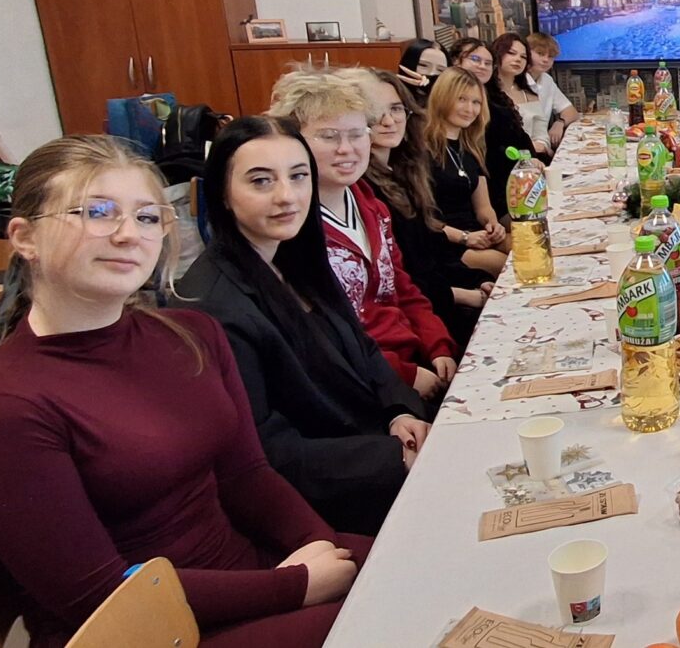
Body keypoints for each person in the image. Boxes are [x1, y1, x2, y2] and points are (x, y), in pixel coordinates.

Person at [0, 135, 370, 647]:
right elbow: (99, 598)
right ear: (25, 237)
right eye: (97, 212)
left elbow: (246, 475)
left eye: (147, 217)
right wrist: (296, 586)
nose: (129, 235)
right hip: (147, 630)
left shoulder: (192, 334)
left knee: (432, 567)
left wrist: (319, 546)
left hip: (247, 579)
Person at [178, 117, 430, 536]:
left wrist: (398, 411)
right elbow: (266, 451)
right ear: (222, 193)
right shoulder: (214, 307)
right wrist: (391, 457)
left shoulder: (294, 257)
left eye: (298, 176)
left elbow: (363, 348)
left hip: (374, 452)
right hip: (328, 499)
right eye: (261, 181)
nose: (286, 196)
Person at [268, 70, 459, 395]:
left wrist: (437, 345)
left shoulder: (371, 204)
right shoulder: (290, 227)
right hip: (363, 383)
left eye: (356, 134)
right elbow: (321, 340)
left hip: (412, 356)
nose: (347, 149)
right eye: (329, 136)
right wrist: (405, 376)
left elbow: (402, 288)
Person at [341, 67, 495, 348]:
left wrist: (475, 280)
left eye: (396, 109)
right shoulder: (362, 188)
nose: (388, 121)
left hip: (438, 295)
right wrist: (465, 294)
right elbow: (398, 281)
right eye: (375, 112)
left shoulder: (405, 173)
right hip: (418, 320)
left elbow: (428, 249)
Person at [423, 67, 509, 256]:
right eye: (461, 99)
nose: (470, 109)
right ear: (442, 98)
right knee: (510, 264)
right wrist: (464, 237)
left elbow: (483, 208)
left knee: (532, 247)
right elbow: (423, 219)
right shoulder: (422, 150)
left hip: (477, 234)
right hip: (444, 242)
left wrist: (493, 225)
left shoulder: (471, 148)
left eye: (476, 102)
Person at [482, 32, 541, 215]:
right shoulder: (487, 97)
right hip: (502, 183)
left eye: (523, 57)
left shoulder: (518, 94)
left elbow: (521, 136)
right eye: (511, 53)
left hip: (524, 173)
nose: (518, 60)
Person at [526, 32, 579, 152]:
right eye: (540, 54)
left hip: (542, 145)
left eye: (550, 56)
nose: (546, 60)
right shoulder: (516, 82)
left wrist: (560, 123)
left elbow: (571, 112)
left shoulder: (546, 79)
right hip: (525, 149)